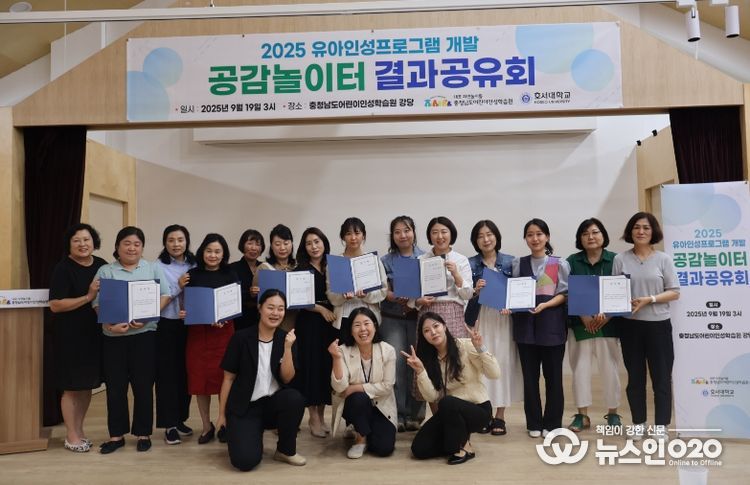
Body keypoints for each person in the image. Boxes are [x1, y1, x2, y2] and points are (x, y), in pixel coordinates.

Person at [93, 226, 171, 454]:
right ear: (117, 246)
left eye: (137, 244)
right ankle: (116, 436)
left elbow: (166, 295)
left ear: (142, 248)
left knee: (143, 386)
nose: (132, 248)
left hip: (144, 336)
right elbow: (96, 303)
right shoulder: (106, 271)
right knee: (115, 387)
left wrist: (147, 316)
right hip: (113, 338)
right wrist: (109, 325)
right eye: (127, 243)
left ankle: (143, 433)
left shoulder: (152, 268)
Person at [217, 289, 306, 471]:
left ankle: (285, 450)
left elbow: (287, 378)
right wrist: (221, 415)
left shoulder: (286, 338)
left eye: (280, 309)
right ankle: (248, 433)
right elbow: (228, 378)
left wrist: (287, 348)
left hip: (272, 404)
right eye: (270, 307)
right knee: (244, 462)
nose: (275, 313)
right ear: (260, 308)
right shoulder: (241, 338)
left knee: (294, 398)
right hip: (245, 406)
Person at [612, 212, 679, 440]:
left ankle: (661, 426)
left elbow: (674, 292)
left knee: (661, 378)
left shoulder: (663, 259)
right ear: (630, 231)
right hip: (630, 327)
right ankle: (638, 423)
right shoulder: (620, 259)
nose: (641, 232)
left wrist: (649, 299)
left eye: (646, 228)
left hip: (658, 327)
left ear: (653, 232)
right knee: (635, 379)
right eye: (636, 227)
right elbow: (614, 291)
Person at [404, 312, 500, 465]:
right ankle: (456, 440)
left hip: (478, 409)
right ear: (423, 336)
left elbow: (494, 374)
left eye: (436, 326)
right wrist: (421, 371)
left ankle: (462, 447)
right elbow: (432, 397)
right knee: (419, 449)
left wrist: (480, 348)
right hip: (450, 412)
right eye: (427, 330)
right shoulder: (429, 358)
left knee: (447, 402)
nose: (433, 332)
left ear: (444, 326)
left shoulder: (465, 345)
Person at [49, 223, 107, 452]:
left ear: (94, 242)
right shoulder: (63, 268)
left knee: (86, 386)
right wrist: (88, 296)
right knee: (72, 387)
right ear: (69, 244)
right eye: (77, 240)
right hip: (70, 336)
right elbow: (55, 305)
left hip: (94, 335)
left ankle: (79, 430)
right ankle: (71, 435)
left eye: (86, 239)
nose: (83, 244)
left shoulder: (101, 265)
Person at [511, 218, 569, 438]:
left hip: (552, 327)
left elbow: (565, 294)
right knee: (530, 379)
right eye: (530, 235)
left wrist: (546, 304)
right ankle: (534, 423)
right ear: (525, 239)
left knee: (554, 379)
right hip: (525, 329)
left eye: (539, 234)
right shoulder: (518, 264)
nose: (535, 238)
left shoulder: (559, 264)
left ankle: (552, 424)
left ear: (547, 237)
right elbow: (513, 292)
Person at [566, 218, 623, 432]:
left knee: (610, 370)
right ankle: (582, 416)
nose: (591, 237)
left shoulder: (615, 260)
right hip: (580, 326)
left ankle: (613, 413)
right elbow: (567, 292)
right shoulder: (572, 261)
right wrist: (584, 316)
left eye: (595, 232)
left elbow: (621, 291)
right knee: (580, 370)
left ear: (603, 235)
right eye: (585, 233)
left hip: (608, 325)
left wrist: (606, 316)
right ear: (580, 238)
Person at [466, 219, 522, 436]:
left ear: (496, 237)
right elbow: (464, 295)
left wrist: (512, 306)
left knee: (503, 364)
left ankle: (500, 416)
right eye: (480, 236)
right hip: (481, 319)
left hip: (503, 319)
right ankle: (484, 414)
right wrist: (475, 290)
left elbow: (519, 292)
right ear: (475, 241)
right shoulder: (470, 263)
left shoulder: (510, 261)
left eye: (489, 234)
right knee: (482, 364)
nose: (486, 239)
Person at [180, 233, 238, 445]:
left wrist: (224, 318)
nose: (213, 255)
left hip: (224, 332)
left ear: (223, 254)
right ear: (202, 252)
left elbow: (235, 304)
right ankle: (206, 425)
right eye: (209, 251)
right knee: (200, 380)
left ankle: (224, 422)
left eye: (217, 251)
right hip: (198, 334)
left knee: (225, 378)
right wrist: (184, 312)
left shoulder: (230, 273)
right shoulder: (192, 274)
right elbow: (185, 303)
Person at [328, 307, 397, 459]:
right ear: (351, 330)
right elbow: (340, 387)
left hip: (381, 406)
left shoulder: (388, 350)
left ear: (375, 326)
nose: (363, 329)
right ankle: (360, 439)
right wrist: (336, 358)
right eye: (357, 325)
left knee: (384, 449)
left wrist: (355, 387)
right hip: (354, 405)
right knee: (359, 398)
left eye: (367, 323)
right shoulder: (343, 350)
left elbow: (387, 386)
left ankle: (362, 428)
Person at [380, 215, 426, 432]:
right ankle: (397, 413)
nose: (403, 235)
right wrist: (390, 295)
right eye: (397, 232)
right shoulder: (385, 261)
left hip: (419, 319)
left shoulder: (426, 258)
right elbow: (380, 289)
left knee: (417, 365)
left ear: (414, 232)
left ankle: (416, 414)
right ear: (393, 236)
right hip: (393, 318)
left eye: (406, 230)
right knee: (396, 365)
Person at [154, 224, 196, 445]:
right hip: (166, 325)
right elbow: (155, 302)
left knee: (185, 373)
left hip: (189, 325)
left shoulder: (194, 264)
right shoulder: (157, 266)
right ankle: (169, 425)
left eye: (180, 240)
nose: (176, 244)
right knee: (167, 376)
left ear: (187, 241)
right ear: (165, 243)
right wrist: (179, 286)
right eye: (171, 240)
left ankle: (180, 419)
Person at [293, 227, 337, 438]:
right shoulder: (300, 269)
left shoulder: (332, 266)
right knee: (311, 368)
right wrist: (320, 309)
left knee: (325, 368)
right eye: (309, 243)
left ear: (324, 243)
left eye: (317, 241)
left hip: (330, 323)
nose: (314, 246)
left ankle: (321, 415)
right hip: (309, 322)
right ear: (304, 247)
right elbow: (298, 299)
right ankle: (313, 418)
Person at [413, 216, 473, 339]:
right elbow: (412, 297)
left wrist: (456, 274)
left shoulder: (461, 260)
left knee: (456, 349)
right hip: (427, 312)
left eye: (444, 232)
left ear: (451, 234)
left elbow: (468, 295)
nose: (440, 236)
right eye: (435, 232)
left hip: (453, 313)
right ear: (430, 236)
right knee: (427, 350)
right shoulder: (420, 260)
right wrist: (419, 301)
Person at [326, 217, 388, 330]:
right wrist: (342, 296)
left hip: (369, 316)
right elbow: (330, 294)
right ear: (343, 237)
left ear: (363, 236)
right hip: (343, 318)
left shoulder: (372, 260)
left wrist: (366, 295)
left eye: (357, 233)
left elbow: (383, 291)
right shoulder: (335, 263)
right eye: (348, 234)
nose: (353, 238)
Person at [252, 224, 297, 332]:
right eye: (277, 244)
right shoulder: (264, 268)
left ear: (291, 244)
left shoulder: (299, 267)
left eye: (286, 243)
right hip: (272, 325)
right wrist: (253, 293)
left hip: (298, 322)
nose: (282, 248)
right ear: (271, 246)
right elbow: (256, 299)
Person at [230, 229, 265, 331]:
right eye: (250, 243)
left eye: (258, 244)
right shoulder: (232, 268)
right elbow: (230, 295)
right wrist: (248, 293)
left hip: (263, 317)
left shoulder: (265, 267)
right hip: (241, 319)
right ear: (242, 245)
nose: (254, 248)